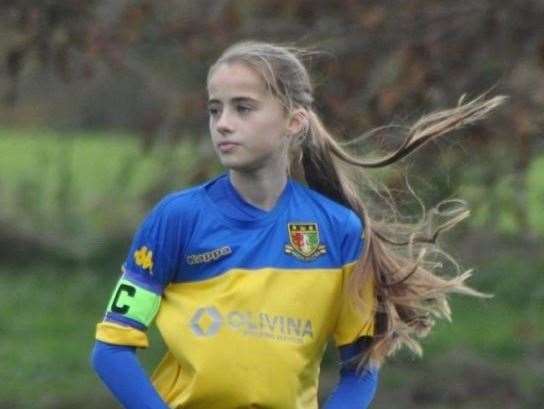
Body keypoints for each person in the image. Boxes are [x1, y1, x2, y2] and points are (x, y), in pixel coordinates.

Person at [90, 40, 505, 408]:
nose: (223, 123)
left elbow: (361, 367)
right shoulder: (177, 219)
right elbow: (111, 349)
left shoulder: (338, 231)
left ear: (295, 121)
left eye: (243, 108)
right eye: (215, 109)